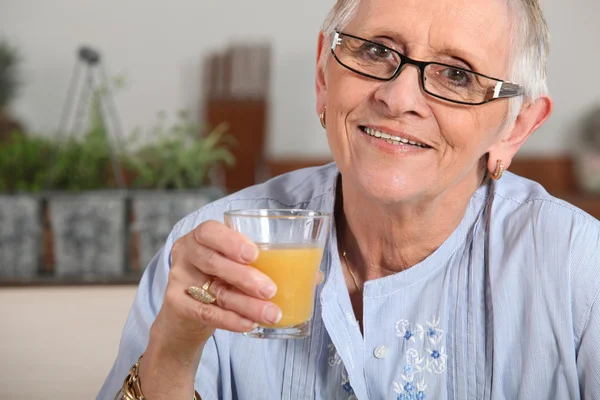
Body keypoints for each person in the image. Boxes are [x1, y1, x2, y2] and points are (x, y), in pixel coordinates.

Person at [99, 0, 600, 398]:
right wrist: (172, 349)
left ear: (516, 128)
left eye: (457, 75)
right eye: (377, 51)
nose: (398, 98)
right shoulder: (213, 247)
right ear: (324, 74)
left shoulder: (578, 268)